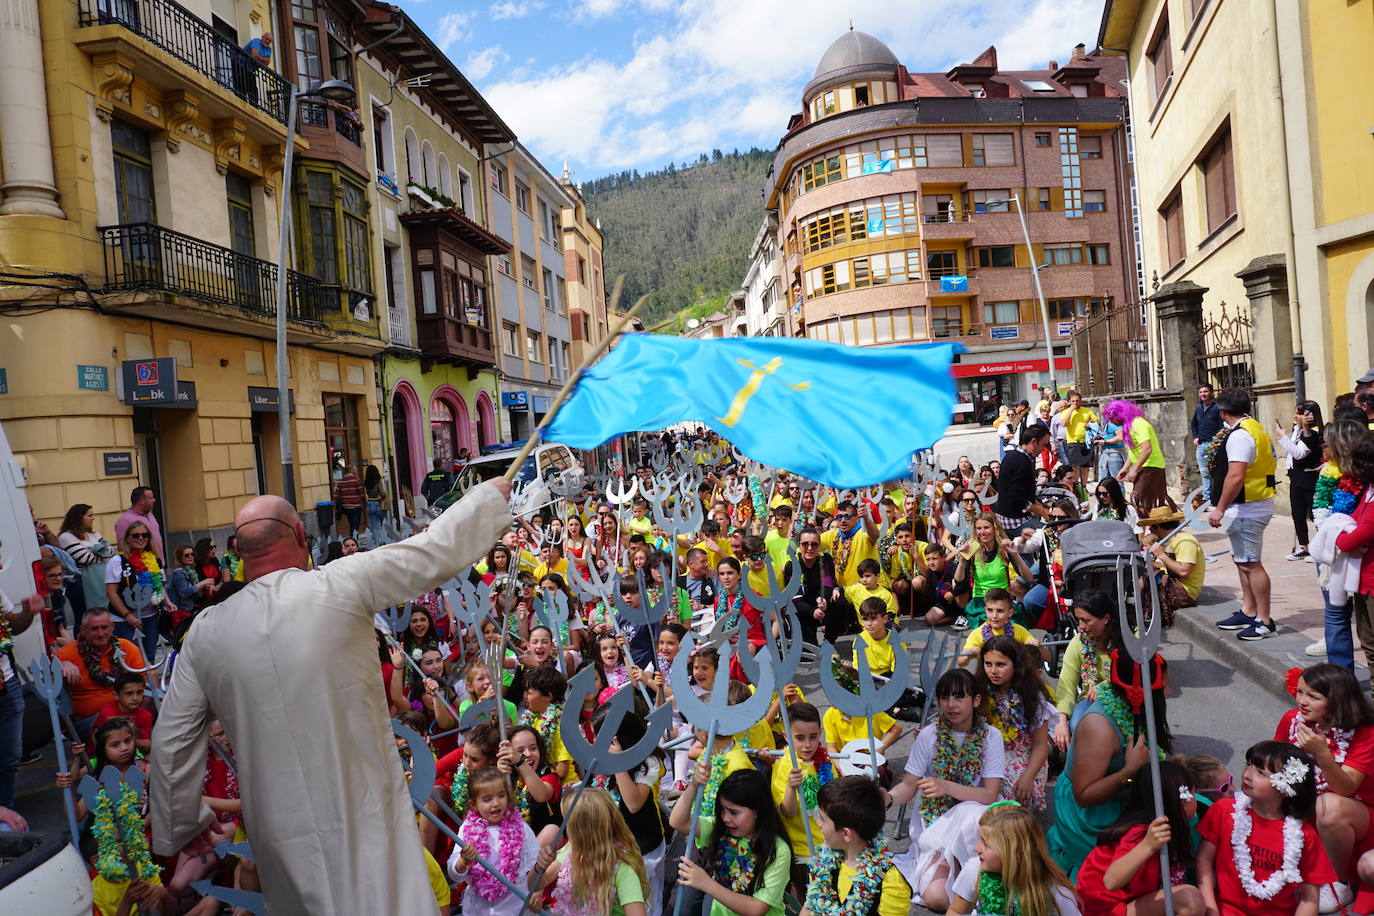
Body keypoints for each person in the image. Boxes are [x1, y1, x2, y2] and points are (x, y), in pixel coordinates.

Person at [149, 478, 512, 915]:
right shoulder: (341, 582)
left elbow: (171, 740)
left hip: (280, 827)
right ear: (301, 539)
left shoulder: (207, 631)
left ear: (240, 557)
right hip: (364, 805)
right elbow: (432, 551)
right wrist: (488, 496)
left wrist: (183, 822)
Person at [884, 668, 1004, 910]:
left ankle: (972, 869)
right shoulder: (929, 735)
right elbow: (909, 784)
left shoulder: (991, 736)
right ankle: (952, 870)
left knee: (971, 812)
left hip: (977, 826)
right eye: (945, 698)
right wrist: (886, 797)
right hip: (937, 825)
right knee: (937, 899)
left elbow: (990, 795)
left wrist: (945, 786)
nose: (951, 704)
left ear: (976, 700)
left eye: (959, 697)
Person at [1048, 650, 1171, 878]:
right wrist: (1130, 770)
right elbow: (1083, 796)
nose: (1168, 691)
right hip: (1091, 814)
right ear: (1138, 692)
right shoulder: (1099, 728)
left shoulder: (1129, 704)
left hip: (1124, 799)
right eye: (1163, 687)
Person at [1275, 663, 1374, 909]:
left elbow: (1346, 789)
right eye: (1300, 692)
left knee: (1328, 806)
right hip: (1306, 808)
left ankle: (1335, 882)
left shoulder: (1365, 732)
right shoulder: (1292, 720)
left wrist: (1322, 754)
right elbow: (1273, 764)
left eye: (1313, 696)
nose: (1302, 701)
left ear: (1337, 700)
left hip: (1356, 812)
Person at [1196, 741, 1332, 916]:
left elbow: (1309, 898)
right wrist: (1211, 909)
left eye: (1260, 773)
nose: (1247, 775)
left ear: (1286, 788)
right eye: (1249, 765)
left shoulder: (1304, 836)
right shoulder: (1224, 810)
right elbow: (1203, 860)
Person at [1076, 759, 1204, 916]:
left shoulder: (1177, 826)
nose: (1195, 798)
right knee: (1189, 899)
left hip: (1131, 903)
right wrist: (1147, 846)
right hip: (1105, 910)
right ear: (1182, 801)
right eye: (1192, 792)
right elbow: (1111, 881)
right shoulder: (1141, 833)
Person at [670, 767, 793, 916]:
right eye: (722, 810)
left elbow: (756, 909)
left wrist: (707, 884)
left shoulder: (779, 850)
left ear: (758, 812)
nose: (726, 818)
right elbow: (677, 822)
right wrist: (694, 785)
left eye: (734, 812)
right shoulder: (721, 831)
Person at [1208, 388, 1279, 641]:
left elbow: (1236, 475)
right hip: (1251, 504)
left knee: (1251, 563)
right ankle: (1249, 610)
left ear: (1223, 411)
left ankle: (1264, 620)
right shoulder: (1254, 427)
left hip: (1248, 507)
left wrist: (1220, 507)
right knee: (1242, 561)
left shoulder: (1239, 436)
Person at [527, 788, 650, 915]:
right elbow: (534, 885)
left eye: (568, 823)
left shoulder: (622, 868)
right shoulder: (572, 851)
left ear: (581, 832)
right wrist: (539, 866)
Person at [801, 775, 911, 916]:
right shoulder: (824, 861)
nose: (818, 823)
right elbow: (810, 905)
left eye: (822, 819)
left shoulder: (890, 881)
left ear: (846, 834)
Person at [946, 802, 1080, 916]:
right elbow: (956, 911)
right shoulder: (975, 869)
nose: (976, 848)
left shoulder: (1054, 892)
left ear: (1015, 854)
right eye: (979, 839)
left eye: (986, 844)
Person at [448, 766, 544, 916]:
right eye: (487, 799)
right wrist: (463, 861)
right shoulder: (466, 829)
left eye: (501, 795)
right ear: (473, 804)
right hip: (479, 909)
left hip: (517, 907)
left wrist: (537, 893)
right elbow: (454, 874)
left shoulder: (521, 827)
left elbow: (537, 866)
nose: (496, 803)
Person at [977, 636, 1054, 810]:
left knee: (1013, 792)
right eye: (988, 664)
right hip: (988, 752)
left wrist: (1027, 778)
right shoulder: (980, 692)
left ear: (1016, 665)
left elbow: (1041, 745)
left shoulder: (1032, 696)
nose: (993, 671)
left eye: (1001, 664)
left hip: (1023, 755)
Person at [55, 607, 146, 739]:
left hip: (128, 711)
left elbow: (149, 678)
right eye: (94, 628)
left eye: (104, 627)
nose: (100, 633)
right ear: (82, 630)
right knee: (112, 726)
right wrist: (61, 665)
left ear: (112, 627)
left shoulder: (125, 646)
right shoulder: (66, 653)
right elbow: (47, 676)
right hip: (90, 720)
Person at [1052, 591, 1123, 750]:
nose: (1081, 626)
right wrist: (1061, 721)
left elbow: (1136, 674)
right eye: (1078, 620)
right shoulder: (1078, 642)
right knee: (1078, 726)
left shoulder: (1129, 638)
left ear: (1106, 618)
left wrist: (1106, 687)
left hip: (1125, 699)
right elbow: (1066, 686)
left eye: (1086, 620)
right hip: (1090, 703)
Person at [0, 584, 42, 812]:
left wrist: (28, 612)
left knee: (9, 755)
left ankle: (6, 811)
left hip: (7, 684)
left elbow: (12, 625)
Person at [105, 521, 170, 661]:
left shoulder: (154, 559)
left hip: (150, 617)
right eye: (136, 535)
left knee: (149, 657)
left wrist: (167, 602)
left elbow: (160, 586)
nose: (141, 538)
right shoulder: (117, 561)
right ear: (127, 538)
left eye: (145, 535)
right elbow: (111, 593)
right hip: (124, 620)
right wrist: (128, 615)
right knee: (131, 660)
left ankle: (149, 682)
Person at [1105, 399, 1177, 517]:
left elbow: (1147, 449)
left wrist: (1135, 470)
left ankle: (1152, 528)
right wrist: (1125, 468)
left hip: (1151, 466)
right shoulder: (1129, 427)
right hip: (1146, 466)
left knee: (1140, 501)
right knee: (1149, 501)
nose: (1111, 421)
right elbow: (1134, 451)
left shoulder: (1138, 424)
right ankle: (1154, 528)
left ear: (1120, 414)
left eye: (1112, 418)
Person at [1138, 506, 1205, 624]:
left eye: (1152, 527)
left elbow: (1184, 571)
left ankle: (1135, 608)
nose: (1151, 531)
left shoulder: (1185, 541)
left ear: (1158, 527)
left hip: (1185, 590)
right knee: (1139, 570)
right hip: (1173, 581)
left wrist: (1161, 555)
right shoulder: (1171, 540)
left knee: (1146, 575)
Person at [1277, 400, 1324, 560]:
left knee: (1315, 514)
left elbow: (1299, 453)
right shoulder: (1297, 430)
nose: (1294, 416)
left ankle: (1320, 548)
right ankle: (1304, 546)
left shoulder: (1315, 433)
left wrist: (1283, 436)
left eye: (1297, 413)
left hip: (1309, 478)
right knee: (1297, 514)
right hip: (1296, 476)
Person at [58, 502, 117, 628]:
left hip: (101, 581)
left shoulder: (93, 534)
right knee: (84, 620)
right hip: (80, 584)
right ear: (79, 517)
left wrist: (97, 552)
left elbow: (112, 551)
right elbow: (84, 558)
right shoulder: (66, 537)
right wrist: (101, 551)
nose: (93, 518)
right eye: (89, 515)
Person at [995, 424, 1052, 535]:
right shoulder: (1021, 462)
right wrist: (1043, 511)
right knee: (1049, 535)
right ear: (1034, 442)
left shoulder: (1013, 455)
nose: (1044, 449)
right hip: (1013, 521)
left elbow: (1022, 492)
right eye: (1043, 445)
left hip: (1008, 516)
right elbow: (1016, 499)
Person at [114, 485, 163, 561]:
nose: (154, 500)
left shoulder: (150, 515)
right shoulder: (125, 520)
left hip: (157, 564)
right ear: (141, 501)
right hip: (140, 567)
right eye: (150, 498)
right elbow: (122, 548)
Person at [1192, 384, 1224, 502]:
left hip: (1213, 444)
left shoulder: (1217, 407)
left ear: (1211, 393)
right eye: (1200, 392)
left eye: (1205, 392)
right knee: (1204, 472)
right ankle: (1207, 498)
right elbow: (1194, 423)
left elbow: (1222, 426)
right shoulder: (1198, 408)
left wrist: (1218, 441)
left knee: (1216, 471)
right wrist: (1195, 437)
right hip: (1201, 444)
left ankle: (1216, 496)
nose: (1202, 394)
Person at [333, 464, 366, 538]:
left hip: (346, 508)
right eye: (355, 469)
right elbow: (362, 494)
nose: (356, 470)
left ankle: (352, 541)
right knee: (355, 526)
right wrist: (363, 503)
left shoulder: (341, 481)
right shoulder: (356, 480)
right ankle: (353, 541)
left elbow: (336, 496)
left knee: (352, 524)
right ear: (352, 470)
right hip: (356, 506)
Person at [364, 463, 389, 546]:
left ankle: (376, 543)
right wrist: (385, 494)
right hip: (378, 504)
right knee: (384, 523)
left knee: (374, 527)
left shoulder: (366, 482)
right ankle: (384, 541)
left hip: (370, 504)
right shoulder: (378, 480)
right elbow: (382, 493)